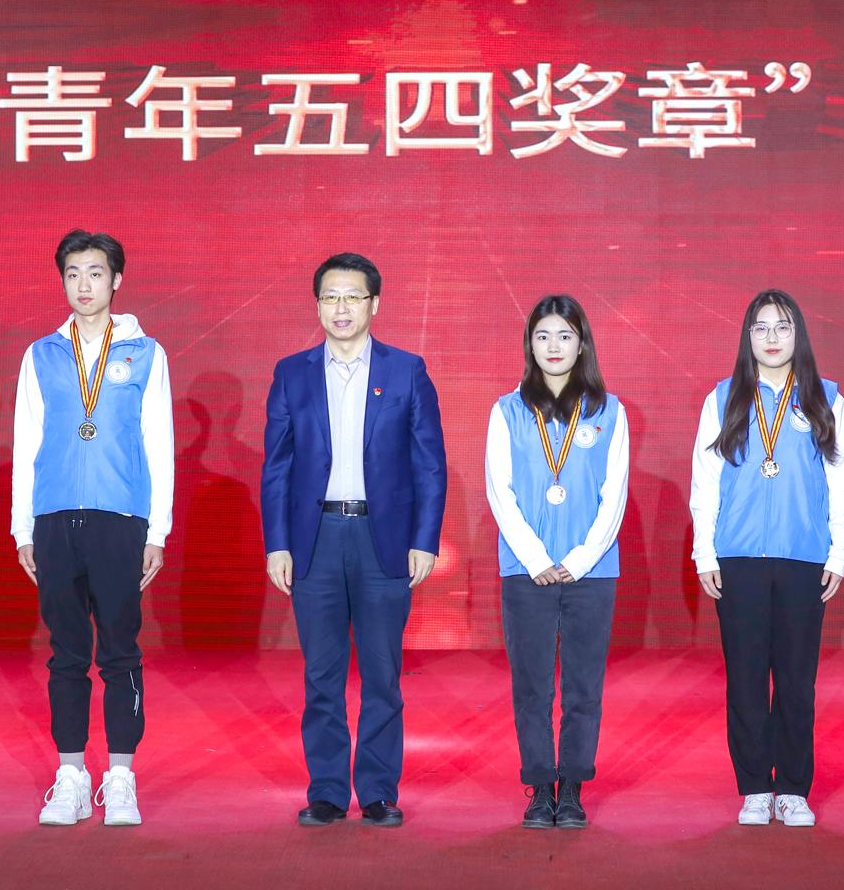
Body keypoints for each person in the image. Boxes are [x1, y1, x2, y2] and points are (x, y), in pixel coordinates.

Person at [261, 253, 447, 828]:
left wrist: (425, 540)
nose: (341, 308)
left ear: (374, 304)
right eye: (330, 297)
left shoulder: (407, 370)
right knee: (321, 673)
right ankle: (326, 791)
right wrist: (277, 543)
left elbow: (429, 464)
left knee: (382, 674)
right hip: (314, 539)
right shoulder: (291, 373)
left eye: (353, 296)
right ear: (317, 304)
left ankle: (378, 791)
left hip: (382, 538)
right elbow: (277, 466)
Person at [11, 230, 174, 828]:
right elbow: (27, 441)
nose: (84, 285)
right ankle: (72, 776)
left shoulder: (146, 353)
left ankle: (121, 777)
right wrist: (23, 528)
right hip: (55, 518)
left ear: (117, 280)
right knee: (66, 652)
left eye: (96, 273)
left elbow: (159, 444)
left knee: (121, 649)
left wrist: (157, 530)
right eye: (73, 273)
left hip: (119, 518)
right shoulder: (41, 354)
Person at [689, 289, 844, 829]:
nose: (772, 337)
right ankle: (756, 787)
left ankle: (794, 789)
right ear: (748, 337)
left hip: (804, 557)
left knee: (796, 680)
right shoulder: (723, 399)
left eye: (783, 327)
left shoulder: (826, 399)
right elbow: (705, 483)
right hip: (737, 558)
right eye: (761, 328)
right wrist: (704, 551)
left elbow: (841, 483)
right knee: (745, 679)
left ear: (798, 334)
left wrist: (840, 551)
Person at [483, 295, 628, 830]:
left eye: (564, 335)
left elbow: (614, 493)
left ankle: (573, 788)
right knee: (532, 686)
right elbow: (499, 491)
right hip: (527, 571)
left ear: (582, 344)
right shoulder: (507, 410)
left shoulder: (610, 410)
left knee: (583, 686)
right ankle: (540, 787)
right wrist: (537, 558)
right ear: (529, 345)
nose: (553, 346)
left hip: (593, 572)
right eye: (542, 336)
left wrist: (582, 559)